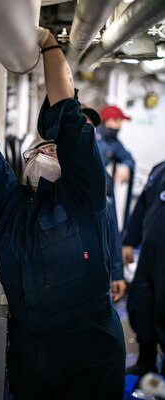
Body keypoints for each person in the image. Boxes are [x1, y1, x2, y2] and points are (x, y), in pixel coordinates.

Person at [0, 27, 125, 400]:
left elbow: (69, 121)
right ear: (27, 160)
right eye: (40, 148)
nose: (47, 151)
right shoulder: (11, 207)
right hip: (31, 354)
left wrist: (48, 42)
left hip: (90, 353)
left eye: (55, 148)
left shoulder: (85, 198)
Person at [122, 161, 165, 377]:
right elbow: (140, 209)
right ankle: (145, 361)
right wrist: (129, 241)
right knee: (141, 306)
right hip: (148, 256)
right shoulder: (159, 169)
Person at [83, 107, 126, 302]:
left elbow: (111, 226)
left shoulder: (102, 178)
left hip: (90, 274)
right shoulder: (44, 170)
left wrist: (117, 272)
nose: (86, 134)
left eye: (90, 129)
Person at [96, 104, 135, 234]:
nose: (120, 126)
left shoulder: (113, 142)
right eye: (119, 121)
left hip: (101, 197)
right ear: (110, 120)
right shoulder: (91, 136)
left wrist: (125, 166)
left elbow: (128, 157)